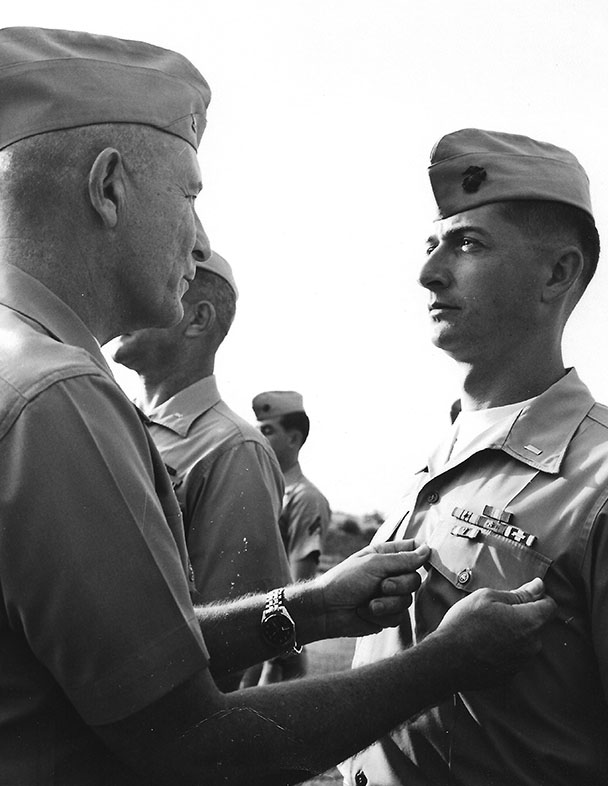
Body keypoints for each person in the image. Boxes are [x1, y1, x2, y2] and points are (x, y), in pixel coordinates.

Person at [0, 31, 556, 785]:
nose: (197, 237)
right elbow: (194, 742)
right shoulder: (58, 395)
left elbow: (113, 653)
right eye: (191, 194)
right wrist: (446, 662)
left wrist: (314, 608)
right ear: (108, 188)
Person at [340, 129, 608, 786]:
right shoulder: (440, 461)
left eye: (466, 244)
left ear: (556, 273)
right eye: (432, 245)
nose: (428, 272)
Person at [111, 251, 292, 688]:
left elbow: (235, 636)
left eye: (153, 293)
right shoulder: (114, 421)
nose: (124, 307)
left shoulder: (234, 451)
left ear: (197, 319)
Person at [253, 390, 331, 580]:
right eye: (256, 430)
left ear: (293, 439)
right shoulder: (254, 488)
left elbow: (298, 586)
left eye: (267, 431)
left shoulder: (305, 498)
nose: (256, 438)